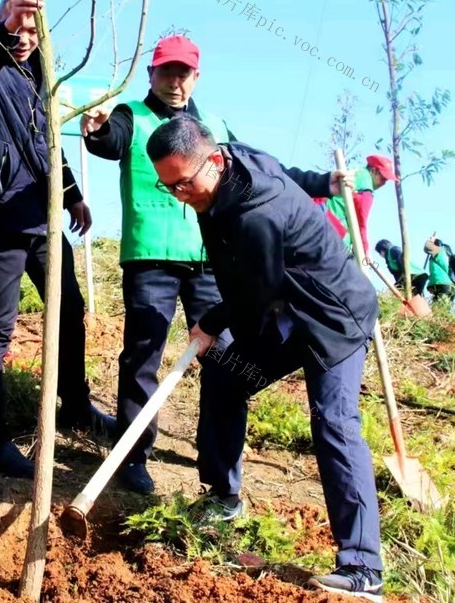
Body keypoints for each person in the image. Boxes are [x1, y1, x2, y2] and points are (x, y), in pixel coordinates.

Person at [147, 115, 385, 600]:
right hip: (286, 309)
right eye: (167, 186)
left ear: (214, 162)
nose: (178, 195)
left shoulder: (256, 216)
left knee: (334, 422)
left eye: (184, 183)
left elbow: (254, 297)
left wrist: (211, 324)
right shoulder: (237, 159)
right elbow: (286, 172)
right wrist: (323, 182)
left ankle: (363, 567)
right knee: (224, 374)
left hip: (333, 317)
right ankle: (223, 497)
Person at [0, 0, 114, 479]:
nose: (24, 38)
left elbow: (46, 142)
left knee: (69, 309)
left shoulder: (39, 76)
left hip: (41, 218)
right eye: (16, 26)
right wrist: (8, 26)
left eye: (32, 30)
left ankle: (76, 405)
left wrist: (72, 193)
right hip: (0, 217)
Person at [79, 34, 236, 494]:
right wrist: (97, 128)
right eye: (166, 71)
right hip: (150, 257)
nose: (174, 81)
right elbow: (109, 141)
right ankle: (132, 455)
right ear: (151, 74)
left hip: (208, 260)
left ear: (196, 77)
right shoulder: (131, 115)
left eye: (182, 73)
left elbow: (244, 174)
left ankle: (218, 460)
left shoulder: (215, 125)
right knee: (143, 355)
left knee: (223, 355)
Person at [316, 154, 397, 262]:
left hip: (319, 213)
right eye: (383, 178)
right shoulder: (366, 190)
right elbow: (360, 225)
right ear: (373, 171)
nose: (384, 183)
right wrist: (366, 251)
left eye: (386, 180)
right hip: (333, 231)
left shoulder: (356, 173)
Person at [423, 235, 455, 305]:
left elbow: (427, 247)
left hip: (441, 283)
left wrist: (431, 240)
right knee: (441, 308)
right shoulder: (448, 255)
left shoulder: (439, 250)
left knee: (439, 307)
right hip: (451, 286)